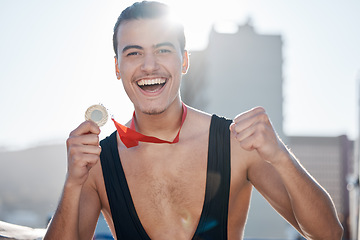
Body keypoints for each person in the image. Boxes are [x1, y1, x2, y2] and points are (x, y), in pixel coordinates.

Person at [44, 1, 343, 239]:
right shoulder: (97, 163)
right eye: (134, 53)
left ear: (184, 61)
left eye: (163, 50)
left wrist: (280, 156)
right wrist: (72, 183)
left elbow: (328, 233)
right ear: (117, 67)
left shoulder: (234, 142)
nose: (149, 66)